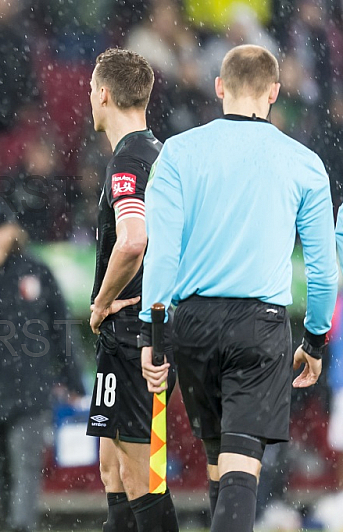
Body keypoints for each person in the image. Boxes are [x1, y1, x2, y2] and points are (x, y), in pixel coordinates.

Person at [140, 44, 338, 532]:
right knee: (241, 469)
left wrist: (152, 332)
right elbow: (324, 268)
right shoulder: (305, 162)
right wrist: (314, 339)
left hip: (193, 324)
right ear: (274, 92)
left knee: (217, 466)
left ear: (219, 88)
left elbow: (160, 252)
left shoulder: (177, 153)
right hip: (261, 327)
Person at [85, 47, 180, 532]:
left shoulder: (130, 160)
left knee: (141, 476)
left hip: (135, 333)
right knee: (114, 472)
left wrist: (101, 302)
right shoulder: (159, 153)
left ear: (104, 95)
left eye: (91, 91)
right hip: (128, 334)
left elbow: (133, 240)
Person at [0, 198, 85, 532]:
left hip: (30, 390)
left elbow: (61, 329)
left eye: (0, 227)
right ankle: (11, 522)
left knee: (25, 464)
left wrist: (74, 382)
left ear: (14, 230)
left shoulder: (37, 271)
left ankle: (20, 527)